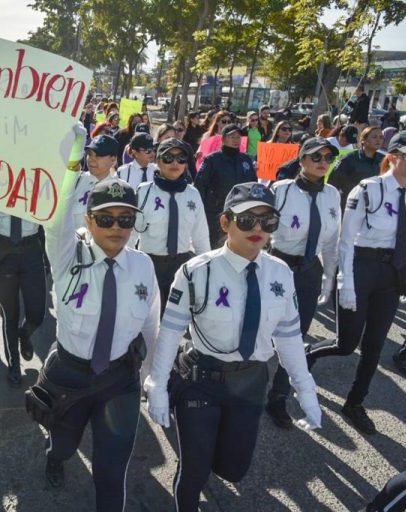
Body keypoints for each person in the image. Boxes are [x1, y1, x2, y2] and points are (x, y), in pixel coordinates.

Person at [145, 182, 321, 512]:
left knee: (233, 469)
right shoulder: (196, 271)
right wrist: (157, 385)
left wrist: (305, 389)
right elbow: (169, 331)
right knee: (195, 470)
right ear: (225, 222)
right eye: (247, 220)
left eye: (268, 221)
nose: (258, 229)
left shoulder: (280, 273)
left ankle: (204, 454)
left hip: (250, 382)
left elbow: (288, 336)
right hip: (201, 379)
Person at [35, 124, 160, 509]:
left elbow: (150, 326)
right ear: (88, 220)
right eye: (105, 219)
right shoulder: (67, 255)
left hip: (119, 379)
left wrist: (153, 379)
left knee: (111, 470)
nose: (116, 228)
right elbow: (55, 217)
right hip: (68, 374)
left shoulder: (143, 265)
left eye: (126, 219)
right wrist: (73, 162)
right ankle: (54, 458)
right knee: (63, 444)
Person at [306, 130, 406, 435]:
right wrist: (346, 284)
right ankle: (307, 354)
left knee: (374, 346)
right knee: (346, 344)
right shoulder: (368, 189)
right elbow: (346, 241)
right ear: (393, 157)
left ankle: (354, 403)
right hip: (360, 268)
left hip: (390, 274)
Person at [263, 138, 342, 428]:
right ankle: (243, 389)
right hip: (277, 267)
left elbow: (332, 242)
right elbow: (260, 230)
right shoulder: (281, 191)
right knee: (260, 330)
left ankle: (278, 397)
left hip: (309, 271)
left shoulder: (332, 195)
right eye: (316, 156)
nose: (323, 162)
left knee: (295, 338)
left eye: (328, 158)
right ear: (302, 159)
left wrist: (330, 277)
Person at [135, 139, 210, 307]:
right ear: (157, 160)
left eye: (181, 158)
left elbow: (201, 236)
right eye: (168, 158)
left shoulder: (192, 194)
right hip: (148, 264)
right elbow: (131, 233)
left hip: (181, 265)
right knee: (146, 314)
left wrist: (206, 269)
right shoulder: (144, 191)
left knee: (176, 315)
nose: (175, 163)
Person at [0, 212, 47, 386]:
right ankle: (13, 364)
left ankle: (25, 333)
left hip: (32, 251)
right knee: (10, 314)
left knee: (37, 314)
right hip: (4, 252)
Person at [195, 123, 258, 247]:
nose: (236, 140)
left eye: (238, 137)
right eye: (232, 137)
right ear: (223, 139)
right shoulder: (212, 159)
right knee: (215, 244)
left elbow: (253, 184)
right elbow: (200, 184)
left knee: (238, 244)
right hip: (216, 211)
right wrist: (201, 209)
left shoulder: (245, 160)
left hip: (240, 210)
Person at [328, 126, 385, 211]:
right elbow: (332, 184)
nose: (378, 140)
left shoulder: (384, 160)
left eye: (381, 137)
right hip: (349, 206)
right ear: (363, 140)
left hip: (375, 207)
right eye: (374, 137)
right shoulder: (348, 159)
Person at [72, 135, 119, 231]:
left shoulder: (120, 191)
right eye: (89, 154)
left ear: (113, 160)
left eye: (98, 155)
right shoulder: (75, 180)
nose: (91, 159)